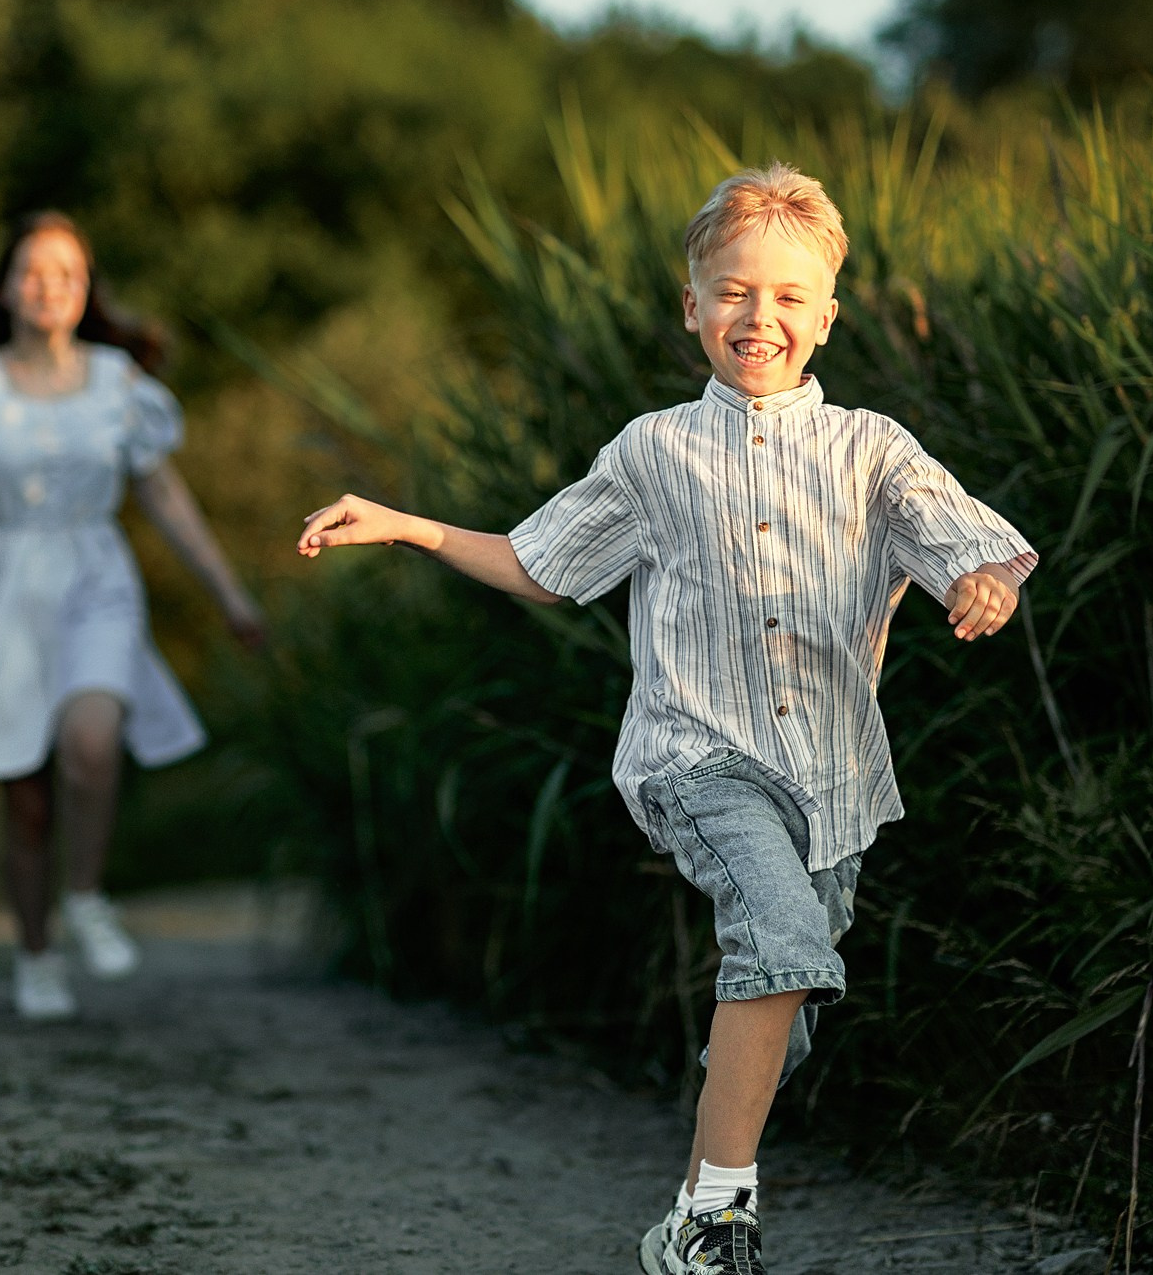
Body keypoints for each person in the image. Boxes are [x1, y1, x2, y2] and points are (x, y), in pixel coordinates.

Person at [294, 164, 1036, 1275]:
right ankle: (720, 1214)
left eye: (788, 297)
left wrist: (984, 584)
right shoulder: (653, 452)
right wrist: (405, 524)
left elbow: (970, 544)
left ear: (826, 318)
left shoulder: (871, 448)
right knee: (779, 941)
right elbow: (543, 564)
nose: (759, 317)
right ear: (691, 306)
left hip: (830, 777)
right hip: (694, 758)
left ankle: (689, 1202)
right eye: (732, 292)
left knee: (785, 1000)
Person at [0, 211, 265, 1022]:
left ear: (85, 289)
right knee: (25, 797)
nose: (49, 286)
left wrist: (229, 592)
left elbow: (165, 495)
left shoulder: (119, 387)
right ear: (5, 288)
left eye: (66, 273)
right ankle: (35, 957)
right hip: (1, 585)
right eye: (33, 271)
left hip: (96, 575)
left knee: (93, 737)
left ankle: (88, 894)